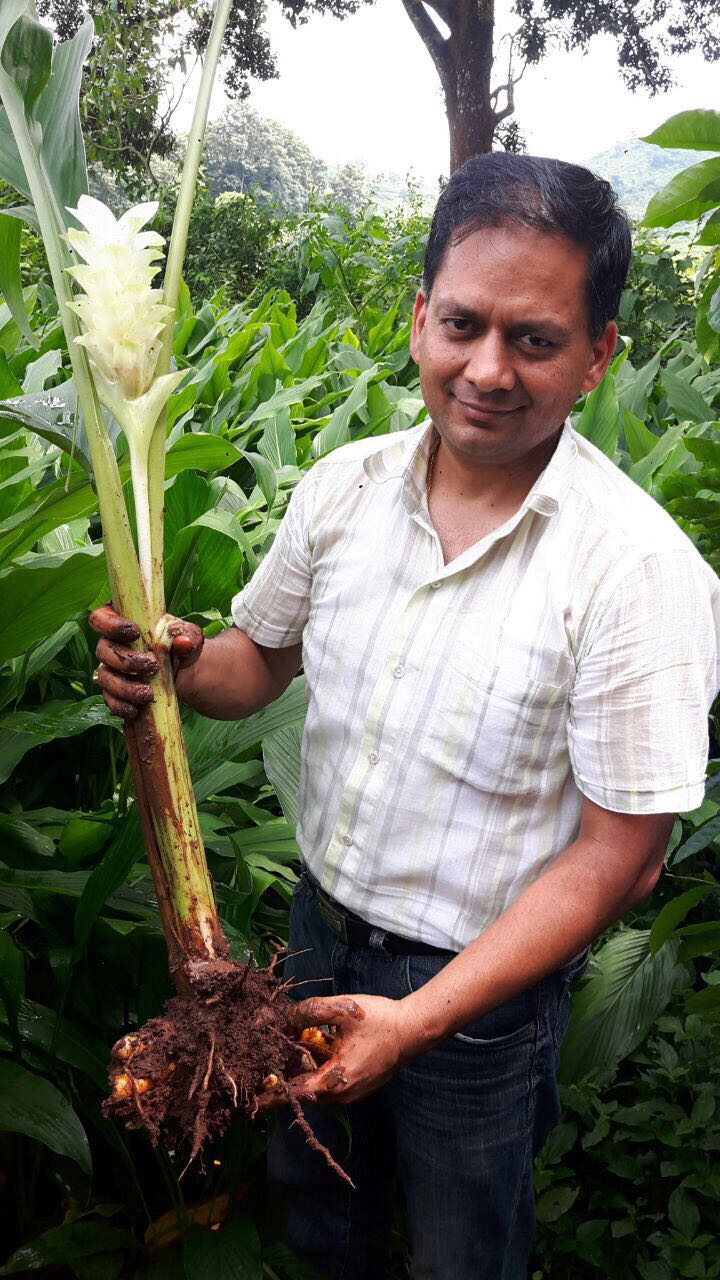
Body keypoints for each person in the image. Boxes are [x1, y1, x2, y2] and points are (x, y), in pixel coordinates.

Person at [91, 154, 720, 1279]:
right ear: (421, 315)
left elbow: (623, 857)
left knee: (460, 1252)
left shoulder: (637, 571)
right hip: (313, 944)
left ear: (598, 355)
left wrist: (422, 1017)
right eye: (464, 324)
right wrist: (174, 660)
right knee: (321, 1223)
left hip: (481, 999)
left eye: (534, 340)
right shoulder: (344, 488)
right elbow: (258, 664)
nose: (487, 369)